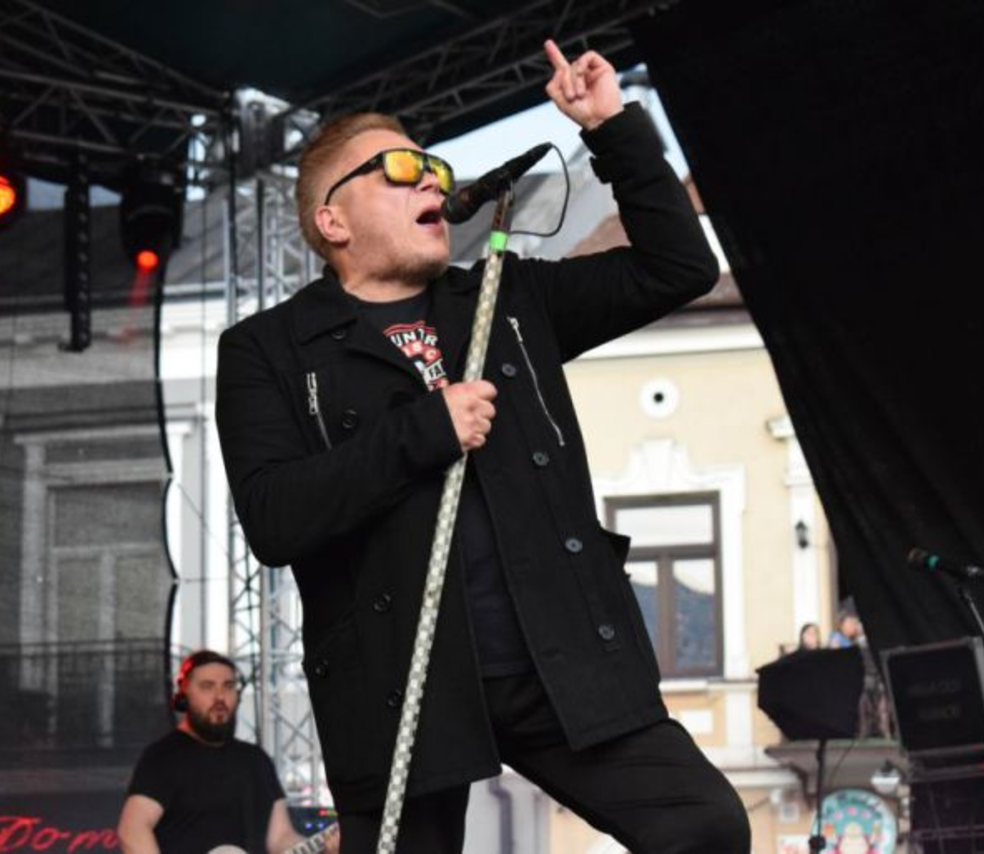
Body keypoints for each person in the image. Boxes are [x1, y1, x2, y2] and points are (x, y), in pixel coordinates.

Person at [215, 38, 750, 853]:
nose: (429, 180)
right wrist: (425, 430)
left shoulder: (507, 299)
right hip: (401, 682)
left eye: (431, 166)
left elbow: (676, 267)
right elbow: (274, 517)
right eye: (398, 170)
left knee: (704, 824)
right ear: (332, 220)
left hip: (558, 655)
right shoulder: (270, 350)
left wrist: (612, 129)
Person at [117, 650, 340, 854]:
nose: (219, 697)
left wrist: (323, 847)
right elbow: (133, 831)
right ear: (184, 695)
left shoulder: (256, 761)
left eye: (228, 686)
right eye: (207, 686)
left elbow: (281, 839)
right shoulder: (163, 757)